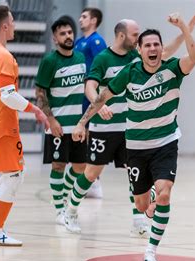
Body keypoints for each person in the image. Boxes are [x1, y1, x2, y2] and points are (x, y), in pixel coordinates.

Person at [72, 13, 195, 261]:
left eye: (156, 45)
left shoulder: (172, 69)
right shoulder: (129, 72)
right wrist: (82, 122)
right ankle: (150, 192)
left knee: (165, 195)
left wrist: (184, 27)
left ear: (161, 49)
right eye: (147, 45)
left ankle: (150, 252)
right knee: (141, 205)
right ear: (139, 50)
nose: (153, 48)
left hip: (166, 142)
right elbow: (102, 97)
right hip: (137, 147)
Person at [0, 5, 49, 246]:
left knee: (9, 173)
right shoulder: (3, 56)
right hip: (3, 127)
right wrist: (36, 110)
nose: (14, 25)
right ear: (4, 26)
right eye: (12, 22)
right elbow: (8, 95)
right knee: (15, 175)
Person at [35, 17, 87, 225]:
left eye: (69, 32)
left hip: (77, 126)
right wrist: (51, 119)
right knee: (58, 165)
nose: (67, 36)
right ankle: (59, 209)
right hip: (57, 125)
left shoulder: (81, 58)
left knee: (80, 166)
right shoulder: (49, 61)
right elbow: (40, 92)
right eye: (62, 33)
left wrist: (84, 123)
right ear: (55, 38)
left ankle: (64, 196)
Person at [73, 7, 107, 198]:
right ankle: (86, 178)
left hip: (89, 95)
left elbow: (103, 66)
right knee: (81, 136)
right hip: (78, 94)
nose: (80, 19)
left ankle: (94, 182)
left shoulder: (96, 41)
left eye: (84, 16)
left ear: (93, 21)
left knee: (88, 136)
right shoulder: (79, 42)